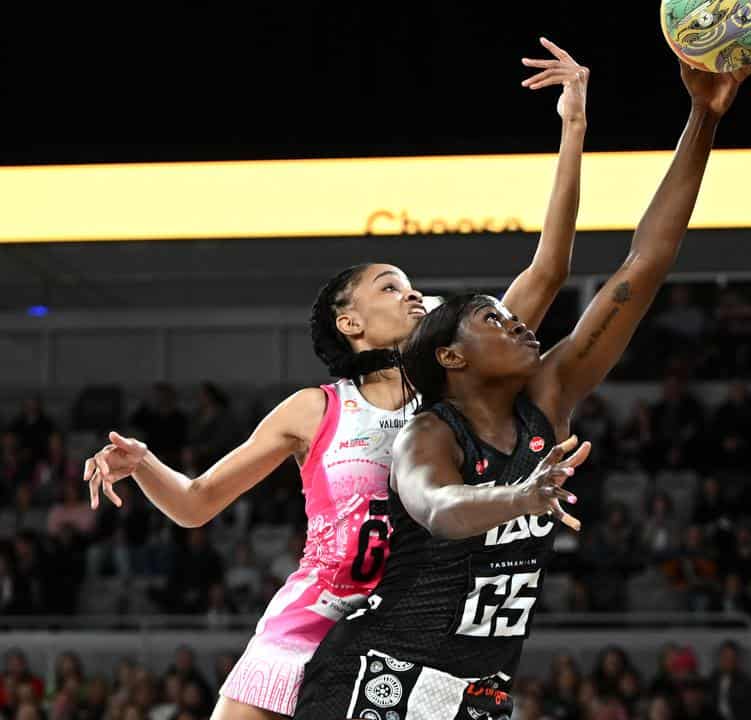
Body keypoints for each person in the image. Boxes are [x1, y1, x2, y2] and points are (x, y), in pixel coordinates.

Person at [80, 37, 590, 720]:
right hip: (305, 628)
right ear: (350, 323)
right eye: (391, 286)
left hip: (404, 633)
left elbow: (548, 270)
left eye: (415, 289)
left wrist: (574, 123)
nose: (413, 297)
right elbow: (198, 503)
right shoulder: (312, 410)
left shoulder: (451, 384)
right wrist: (142, 463)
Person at [292, 53, 751, 720]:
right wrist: (517, 494)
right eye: (496, 317)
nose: (518, 323)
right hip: (375, 679)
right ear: (453, 357)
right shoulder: (428, 433)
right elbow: (437, 506)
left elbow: (646, 262)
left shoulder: (549, 396)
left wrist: (704, 117)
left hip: (480, 698)